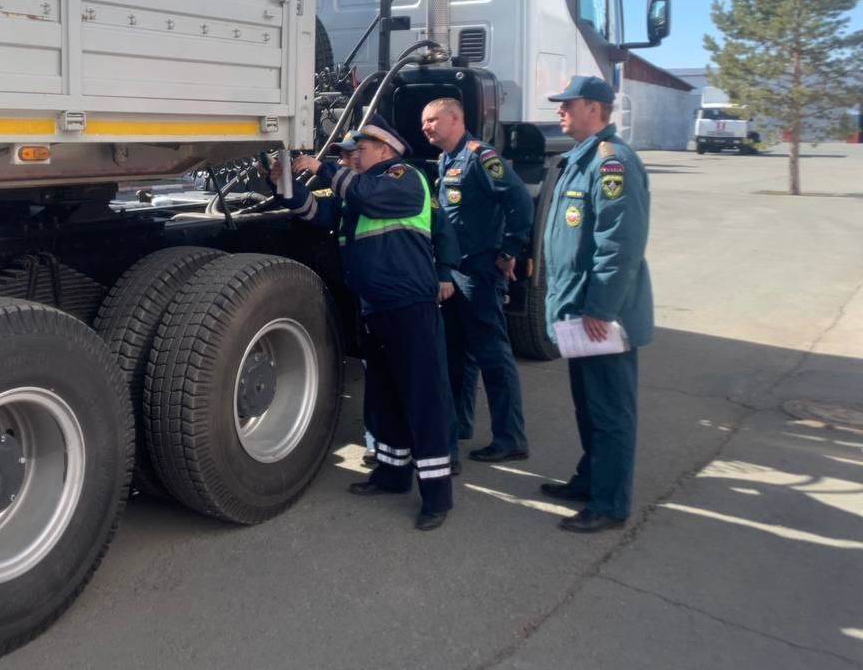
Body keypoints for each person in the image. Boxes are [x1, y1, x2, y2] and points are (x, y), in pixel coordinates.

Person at [269, 115, 454, 530]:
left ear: (385, 151)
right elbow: (317, 212)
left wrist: (323, 168)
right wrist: (284, 185)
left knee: (421, 399)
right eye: (348, 153)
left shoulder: (403, 177)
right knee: (385, 394)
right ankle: (391, 475)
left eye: (360, 150)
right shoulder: (361, 190)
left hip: (409, 306)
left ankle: (437, 496)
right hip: (376, 307)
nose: (351, 157)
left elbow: (366, 197)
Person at [541, 75, 653, 534]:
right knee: (590, 408)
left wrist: (599, 310)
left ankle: (609, 504)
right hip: (579, 314)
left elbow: (618, 246)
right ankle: (590, 481)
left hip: (601, 318)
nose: (559, 110)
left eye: (568, 104)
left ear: (595, 108)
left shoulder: (611, 163)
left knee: (610, 413)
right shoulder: (579, 160)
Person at [420, 98, 533, 463]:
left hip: (479, 271)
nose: (426, 127)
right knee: (457, 353)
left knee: (492, 355)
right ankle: (461, 423)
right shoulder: (446, 160)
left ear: (455, 118)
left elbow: (518, 199)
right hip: (454, 271)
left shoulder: (479, 156)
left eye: (433, 119)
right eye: (424, 122)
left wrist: (509, 248)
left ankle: (510, 437)